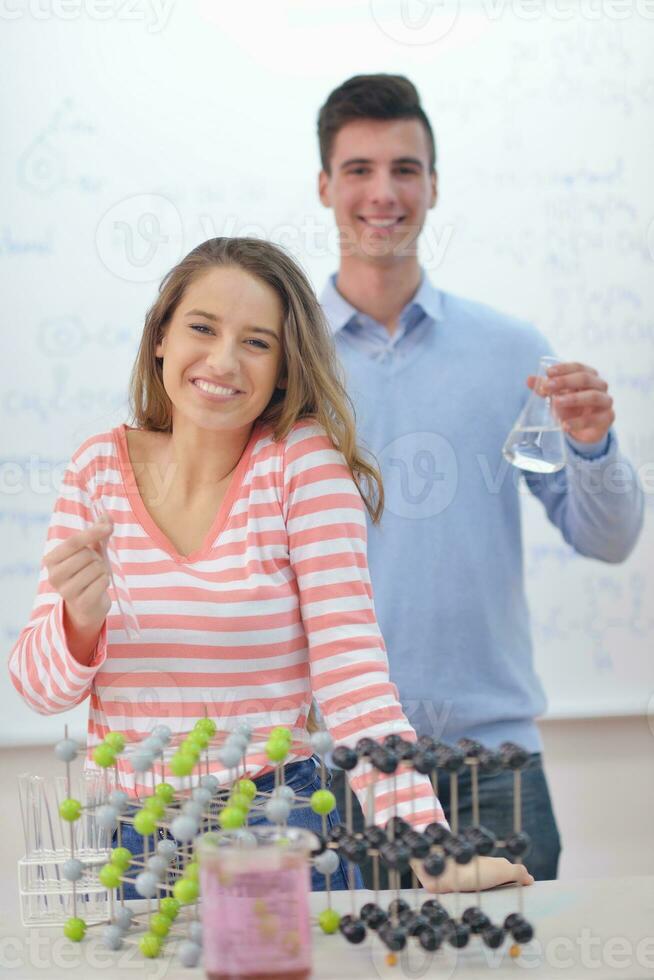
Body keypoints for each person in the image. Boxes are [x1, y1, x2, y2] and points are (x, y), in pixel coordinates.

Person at [8, 237, 532, 898]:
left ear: (285, 368)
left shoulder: (300, 465)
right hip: (131, 842)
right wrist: (78, 625)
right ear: (161, 336)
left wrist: (430, 850)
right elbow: (38, 685)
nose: (223, 361)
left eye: (257, 342)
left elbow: (354, 677)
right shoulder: (97, 468)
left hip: (270, 827)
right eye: (202, 327)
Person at [316, 74, 644, 883]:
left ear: (433, 184)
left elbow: (608, 540)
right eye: (358, 168)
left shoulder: (510, 350)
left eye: (405, 168)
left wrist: (596, 447)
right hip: (331, 770)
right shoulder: (283, 361)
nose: (382, 192)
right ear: (324, 185)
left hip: (491, 765)